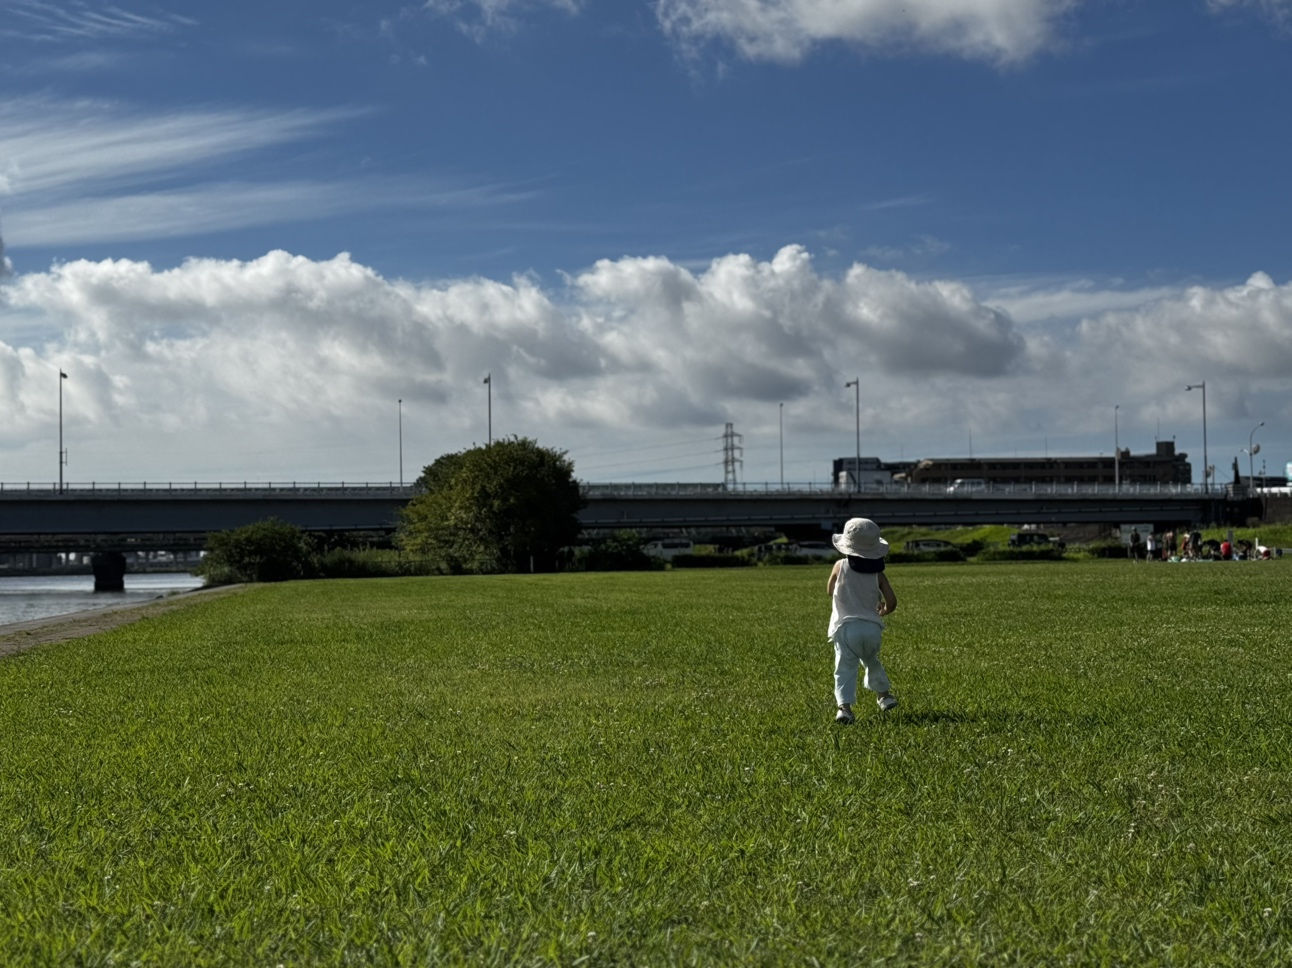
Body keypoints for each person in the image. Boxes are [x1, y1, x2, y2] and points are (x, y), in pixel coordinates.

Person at [827, 517, 899, 724]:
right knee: (872, 661)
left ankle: (845, 709)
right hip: (871, 628)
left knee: (844, 669)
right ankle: (884, 697)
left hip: (845, 628)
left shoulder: (840, 566)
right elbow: (892, 602)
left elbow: (830, 590)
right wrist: (883, 610)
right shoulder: (878, 573)